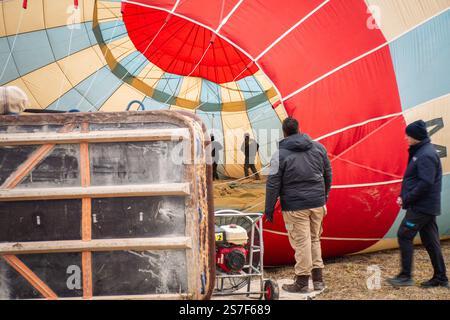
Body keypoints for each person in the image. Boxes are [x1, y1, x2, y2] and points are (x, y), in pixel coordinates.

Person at [265, 117, 332, 293]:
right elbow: (328, 173)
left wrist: (269, 208)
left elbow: (272, 184)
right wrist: (324, 195)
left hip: (295, 206)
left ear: (284, 132)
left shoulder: (279, 155)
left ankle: (302, 281)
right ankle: (318, 280)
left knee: (302, 243)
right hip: (317, 203)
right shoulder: (319, 148)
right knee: (314, 239)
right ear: (299, 129)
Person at [388, 120, 449, 288]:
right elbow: (413, 179)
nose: (406, 137)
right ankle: (441, 278)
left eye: (408, 134)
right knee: (431, 241)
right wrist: (403, 195)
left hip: (422, 207)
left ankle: (405, 276)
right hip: (424, 206)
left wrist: (407, 198)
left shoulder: (426, 155)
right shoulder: (420, 151)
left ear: (416, 136)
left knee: (404, 234)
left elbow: (425, 183)